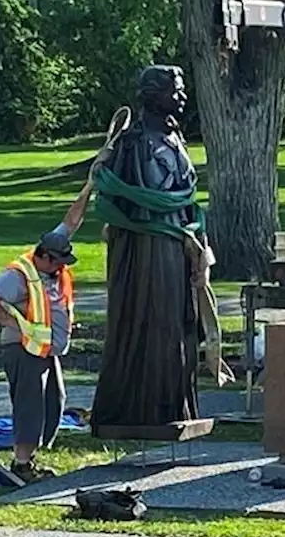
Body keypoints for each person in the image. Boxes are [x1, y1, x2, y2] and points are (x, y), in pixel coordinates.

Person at [91, 64, 222, 435]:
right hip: (150, 248)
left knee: (182, 323)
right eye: (174, 91)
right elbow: (141, 198)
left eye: (181, 90)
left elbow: (181, 197)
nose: (181, 97)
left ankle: (174, 403)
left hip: (177, 243)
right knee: (157, 322)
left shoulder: (173, 138)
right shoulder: (137, 143)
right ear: (151, 95)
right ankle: (144, 408)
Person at [0, 180, 93, 483]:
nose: (61, 268)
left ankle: (31, 457)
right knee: (30, 405)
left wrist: (91, 183)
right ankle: (22, 464)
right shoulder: (18, 276)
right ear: (44, 256)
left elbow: (72, 220)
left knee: (55, 401)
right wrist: (10, 322)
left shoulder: (55, 254)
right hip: (23, 349)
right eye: (58, 263)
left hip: (45, 350)